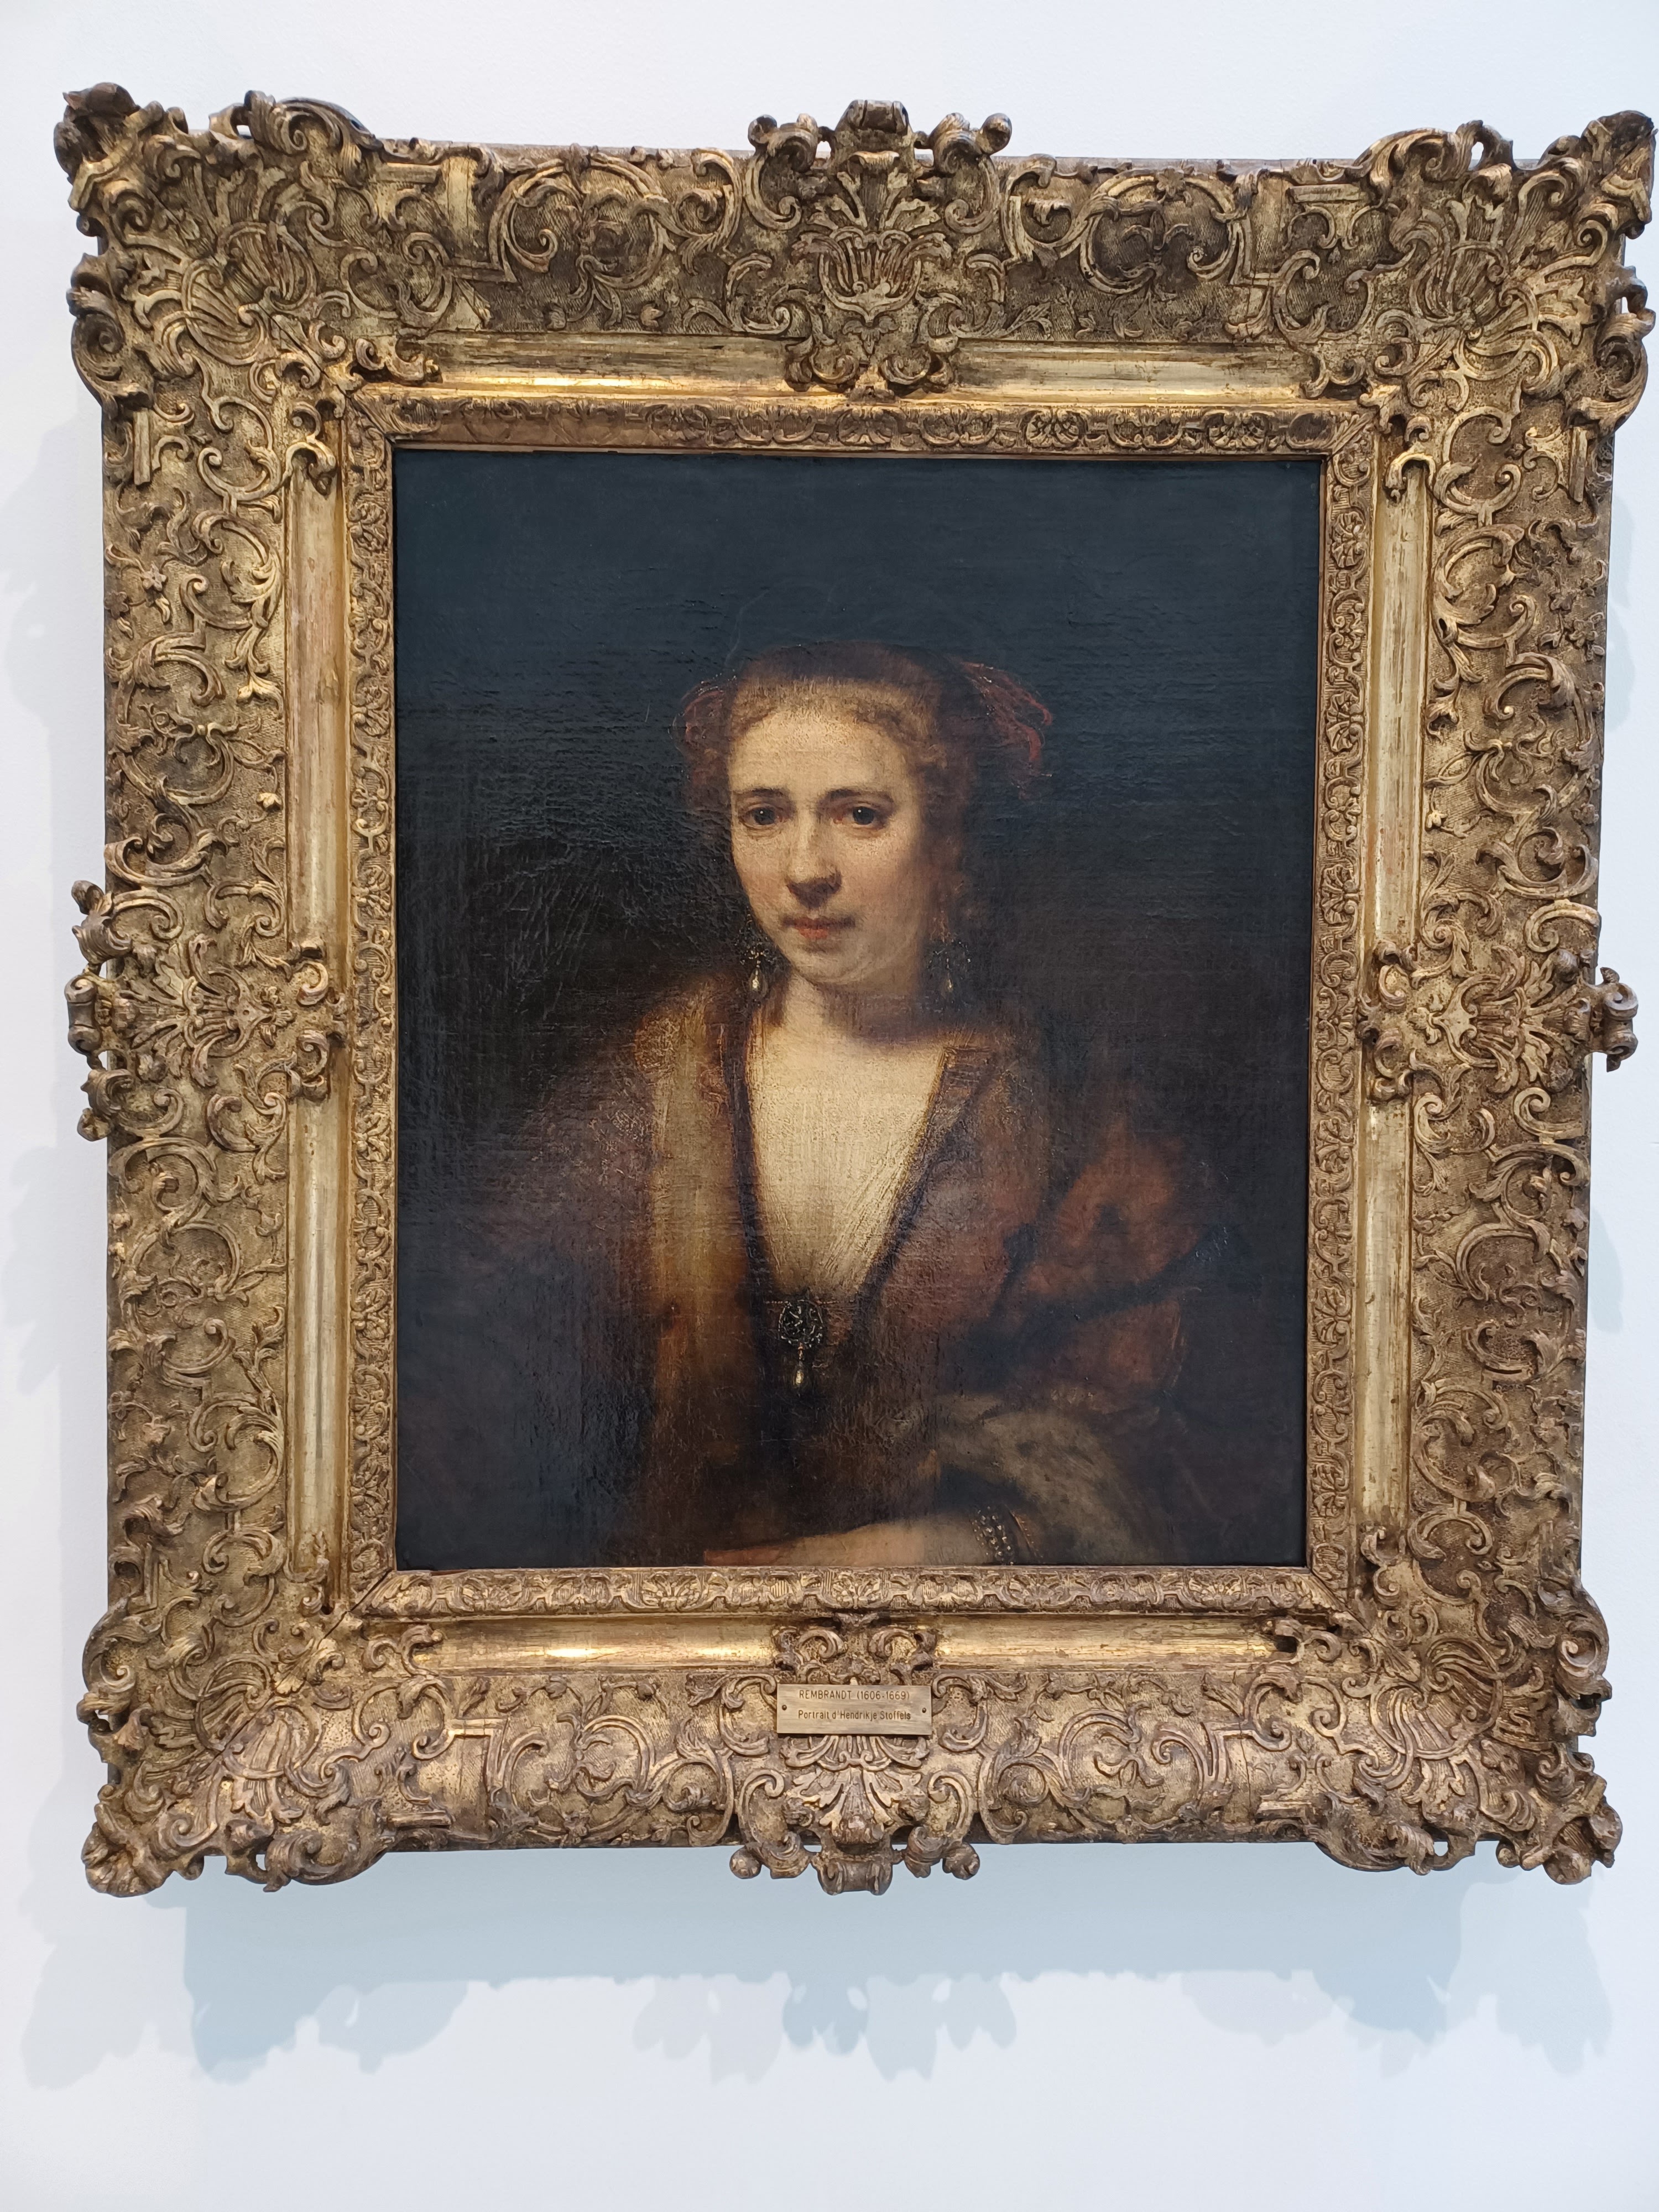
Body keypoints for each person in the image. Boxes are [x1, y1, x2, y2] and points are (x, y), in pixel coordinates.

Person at [398, 640, 1295, 1570]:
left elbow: (1217, 1455)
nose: (805, 869)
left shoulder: (1079, 1118)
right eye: (763, 815)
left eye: (859, 815)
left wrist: (960, 1542)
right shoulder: (657, 1085)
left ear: (948, 838)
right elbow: (467, 1383)